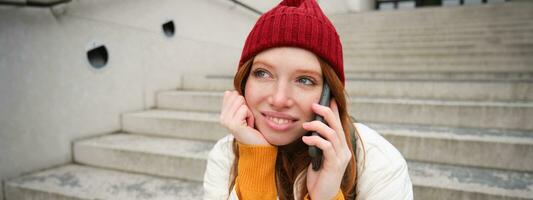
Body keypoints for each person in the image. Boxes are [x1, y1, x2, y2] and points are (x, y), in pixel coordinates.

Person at [203, 0, 413, 199]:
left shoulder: (379, 161)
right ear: (244, 80)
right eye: (263, 73)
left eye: (304, 80)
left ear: (330, 94)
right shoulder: (225, 155)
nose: (279, 99)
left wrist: (326, 196)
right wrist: (256, 159)